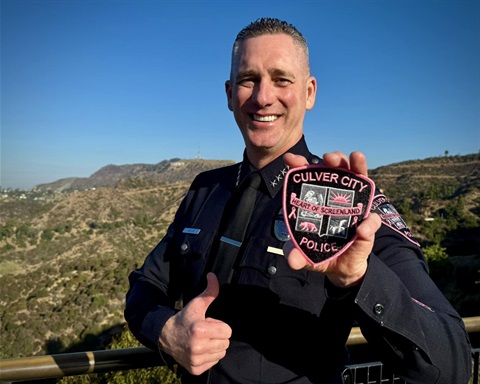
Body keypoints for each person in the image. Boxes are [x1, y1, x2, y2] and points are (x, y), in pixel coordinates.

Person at [125, 17, 472, 383]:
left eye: (281, 79)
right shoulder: (204, 190)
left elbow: (452, 366)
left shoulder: (348, 204)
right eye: (248, 79)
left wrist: (358, 278)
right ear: (229, 94)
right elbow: (145, 287)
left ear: (309, 93)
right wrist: (166, 331)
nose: (262, 97)